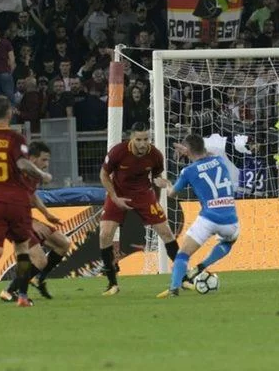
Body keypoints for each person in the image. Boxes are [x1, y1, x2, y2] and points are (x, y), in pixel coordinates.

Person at [99, 122, 179, 296]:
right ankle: (112, 283)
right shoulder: (118, 152)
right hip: (119, 193)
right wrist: (114, 197)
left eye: (146, 139)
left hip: (143, 194)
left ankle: (184, 277)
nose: (143, 144)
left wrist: (164, 183)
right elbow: (103, 174)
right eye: (139, 140)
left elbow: (157, 176)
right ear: (131, 138)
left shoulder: (155, 155)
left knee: (166, 232)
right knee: (105, 234)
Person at [155, 134, 239, 298]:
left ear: (187, 150)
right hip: (230, 219)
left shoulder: (188, 171)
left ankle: (174, 288)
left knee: (183, 254)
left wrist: (166, 184)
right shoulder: (219, 160)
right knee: (229, 241)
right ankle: (201, 267)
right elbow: (205, 154)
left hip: (208, 218)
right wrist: (188, 150)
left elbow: (172, 194)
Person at [0, 96, 52, 307]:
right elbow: (23, 164)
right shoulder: (15, 138)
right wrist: (42, 175)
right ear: (9, 113)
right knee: (22, 249)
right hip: (15, 201)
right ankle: (22, 295)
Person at [0, 142, 71, 302]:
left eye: (48, 160)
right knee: (39, 260)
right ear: (32, 159)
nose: (47, 164)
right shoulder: (17, 176)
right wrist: (32, 223)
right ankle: (9, 291)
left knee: (63, 244)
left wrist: (46, 214)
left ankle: (38, 279)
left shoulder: (33, 175)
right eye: (44, 160)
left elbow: (31, 195)